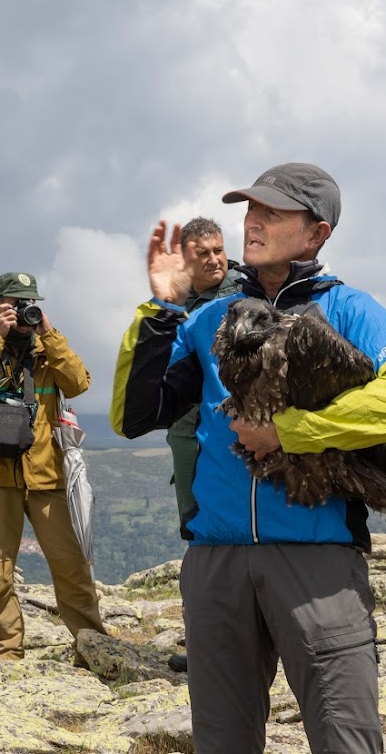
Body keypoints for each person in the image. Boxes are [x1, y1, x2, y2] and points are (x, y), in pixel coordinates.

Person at [110, 163, 386, 754]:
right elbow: (135, 416)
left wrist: (292, 432)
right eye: (250, 210)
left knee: (346, 740)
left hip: (317, 562)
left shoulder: (349, 310)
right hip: (215, 561)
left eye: (273, 212)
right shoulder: (210, 318)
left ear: (317, 234)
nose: (253, 221)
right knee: (222, 741)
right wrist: (161, 311)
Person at [0, 272, 105, 663]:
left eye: (29, 303)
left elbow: (80, 381)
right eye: (14, 303)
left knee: (71, 566)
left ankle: (93, 647)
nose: (22, 311)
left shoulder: (46, 349)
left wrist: (50, 334)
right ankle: (5, 653)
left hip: (47, 474)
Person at [161, 217, 242, 675]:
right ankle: (204, 645)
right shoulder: (173, 304)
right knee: (200, 546)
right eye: (202, 254)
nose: (214, 260)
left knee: (245, 540)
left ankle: (249, 642)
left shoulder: (247, 292)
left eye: (219, 250)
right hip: (189, 446)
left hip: (236, 439)